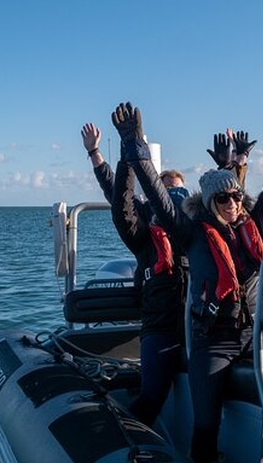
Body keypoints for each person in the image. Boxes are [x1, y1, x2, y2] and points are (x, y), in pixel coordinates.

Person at [111, 102, 263, 463]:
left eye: (236, 196)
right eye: (223, 198)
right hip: (213, 342)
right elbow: (157, 195)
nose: (233, 203)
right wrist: (134, 144)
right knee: (206, 423)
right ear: (209, 201)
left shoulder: (250, 225)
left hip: (251, 337)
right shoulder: (191, 234)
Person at [81, 122, 189, 427]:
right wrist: (96, 154)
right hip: (161, 323)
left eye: (178, 191)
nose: (172, 196)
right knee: (152, 395)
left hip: (198, 323)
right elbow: (119, 198)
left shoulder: (195, 232)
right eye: (166, 190)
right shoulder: (143, 236)